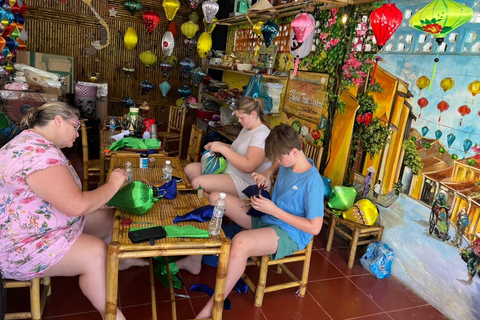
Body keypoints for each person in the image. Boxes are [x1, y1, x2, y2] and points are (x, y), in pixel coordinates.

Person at [0, 102, 146, 320]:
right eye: (75, 126)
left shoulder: (34, 142)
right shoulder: (37, 153)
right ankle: (113, 316)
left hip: (37, 225)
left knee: (106, 216)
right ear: (58, 120)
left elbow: (63, 197)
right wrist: (113, 185)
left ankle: (120, 261)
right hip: (19, 244)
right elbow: (76, 205)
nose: (77, 134)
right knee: (95, 253)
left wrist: (104, 198)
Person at [183, 123, 324, 319]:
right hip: (268, 215)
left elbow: (315, 228)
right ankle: (195, 259)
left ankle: (213, 305)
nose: (277, 162)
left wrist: (274, 209)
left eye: (279, 158)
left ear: (293, 151)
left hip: (289, 232)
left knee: (240, 242)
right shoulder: (290, 160)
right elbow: (276, 164)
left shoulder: (312, 182)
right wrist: (267, 174)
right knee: (216, 198)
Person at [184, 97, 272, 197]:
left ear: (253, 114)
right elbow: (237, 149)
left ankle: (214, 202)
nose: (239, 120)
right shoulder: (247, 128)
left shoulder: (262, 134)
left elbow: (249, 166)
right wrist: (218, 144)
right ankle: (211, 200)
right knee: (189, 169)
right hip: (230, 169)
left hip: (246, 181)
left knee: (197, 183)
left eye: (241, 117)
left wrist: (222, 148)